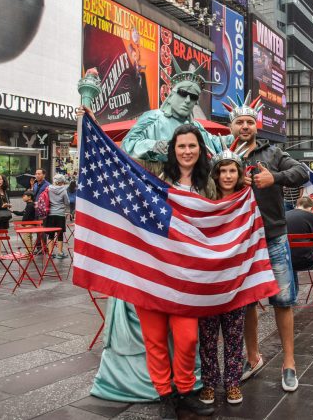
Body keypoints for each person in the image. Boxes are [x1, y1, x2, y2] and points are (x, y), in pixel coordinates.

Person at [87, 63, 224, 404]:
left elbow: (220, 164)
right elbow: (129, 150)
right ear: (170, 93)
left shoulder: (198, 132)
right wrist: (157, 147)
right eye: (183, 94)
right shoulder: (151, 119)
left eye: (194, 96)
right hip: (149, 228)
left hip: (186, 240)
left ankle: (185, 385)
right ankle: (163, 391)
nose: (189, 100)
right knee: (149, 327)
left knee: (187, 333)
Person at [225, 96, 309, 393]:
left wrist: (273, 178)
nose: (245, 126)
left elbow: (301, 172)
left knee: (283, 301)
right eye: (240, 122)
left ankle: (289, 364)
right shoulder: (224, 155)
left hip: (273, 236)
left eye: (249, 122)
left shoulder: (273, 152)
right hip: (241, 241)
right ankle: (252, 357)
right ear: (231, 126)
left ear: (256, 125)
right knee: (246, 302)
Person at [138, 125, 216, 418]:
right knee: (155, 338)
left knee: (187, 339)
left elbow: (221, 217)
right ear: (173, 150)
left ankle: (185, 390)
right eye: (181, 146)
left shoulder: (207, 183)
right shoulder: (156, 176)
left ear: (200, 149)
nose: (186, 151)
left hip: (188, 276)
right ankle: (165, 396)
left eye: (192, 146)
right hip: (154, 271)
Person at [198, 144, 248, 406]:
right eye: (223, 171)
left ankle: (232, 383)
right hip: (209, 280)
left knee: (233, 336)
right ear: (216, 175)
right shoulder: (205, 201)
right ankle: (208, 383)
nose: (228, 176)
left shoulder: (247, 199)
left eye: (232, 171)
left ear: (238, 174)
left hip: (236, 280)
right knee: (207, 337)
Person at [46, 174, 70, 259]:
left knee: (51, 234)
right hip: (60, 214)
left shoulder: (48, 189)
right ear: (61, 182)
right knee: (60, 234)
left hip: (50, 214)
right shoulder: (63, 190)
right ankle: (60, 253)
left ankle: (50, 252)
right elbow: (67, 202)